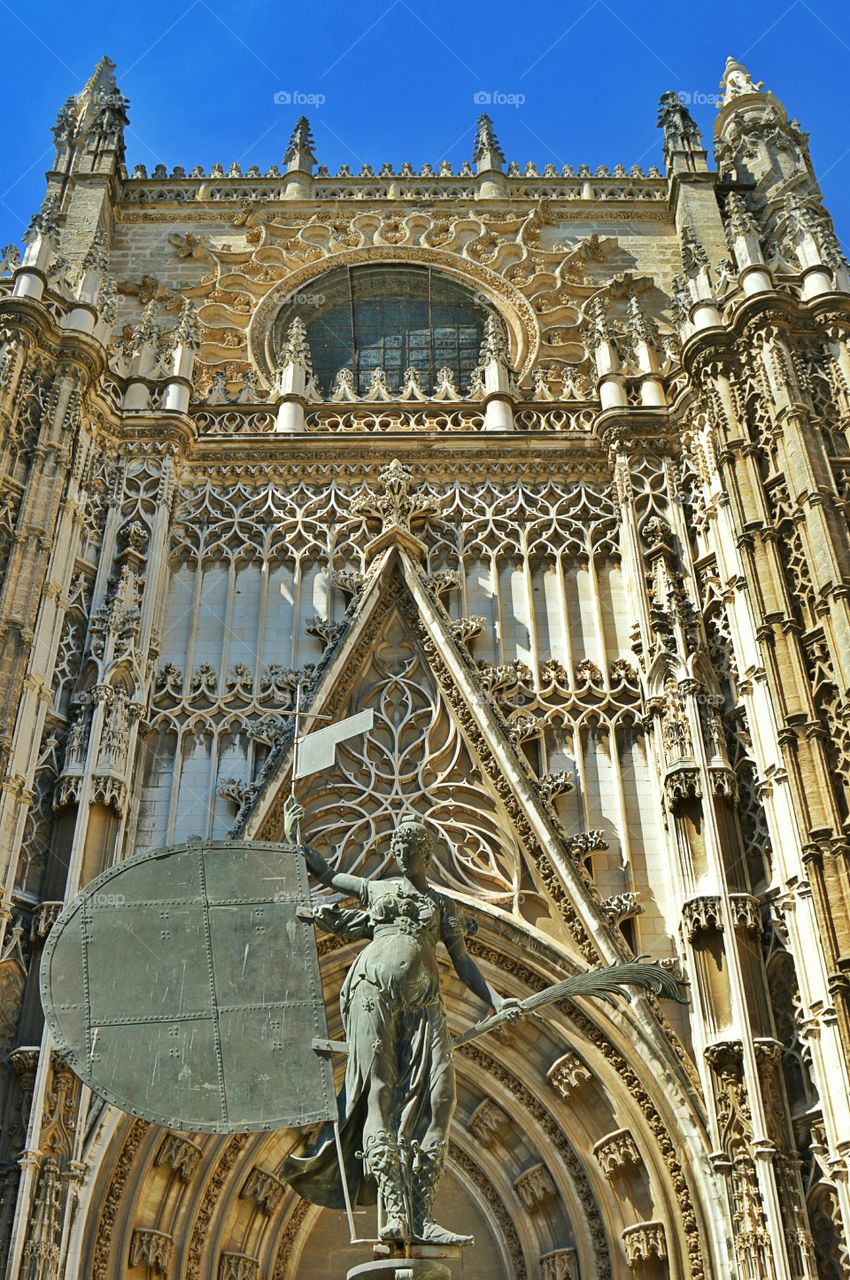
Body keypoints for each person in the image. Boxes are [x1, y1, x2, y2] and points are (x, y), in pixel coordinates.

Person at [280, 796, 521, 1245]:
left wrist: (497, 999)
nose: (404, 855)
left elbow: (463, 962)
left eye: (412, 849)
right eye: (399, 849)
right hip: (372, 990)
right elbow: (329, 875)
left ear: (427, 856)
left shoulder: (442, 905)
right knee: (379, 1094)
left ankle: (420, 1213)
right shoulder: (379, 891)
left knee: (442, 1099)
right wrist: (296, 836)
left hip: (424, 1002)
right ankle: (395, 1211)